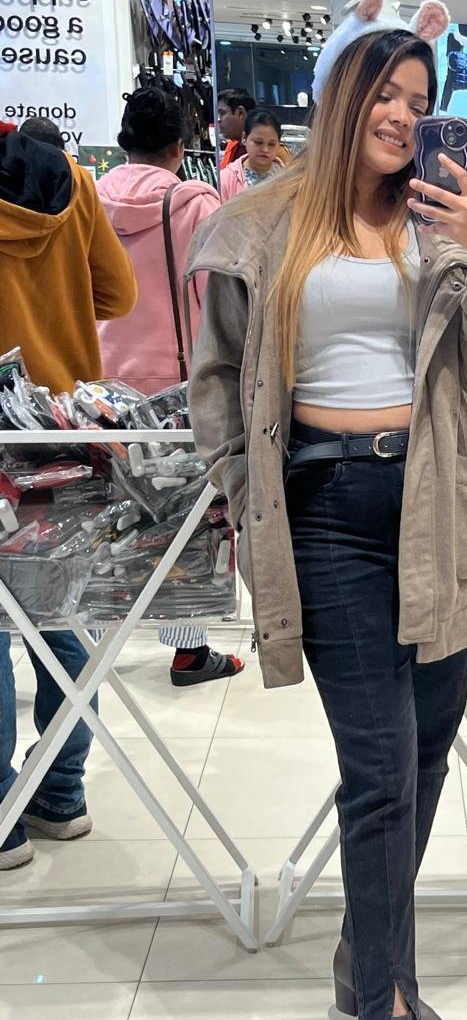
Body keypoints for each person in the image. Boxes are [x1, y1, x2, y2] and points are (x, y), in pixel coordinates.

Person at [188, 0, 467, 1020]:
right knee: (379, 768)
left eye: (419, 100)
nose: (401, 114)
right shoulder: (264, 222)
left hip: (441, 500)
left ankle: (373, 968)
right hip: (328, 505)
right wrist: (244, 491)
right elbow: (218, 376)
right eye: (385, 92)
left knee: (422, 758)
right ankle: (377, 1000)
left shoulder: (443, 220)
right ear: (343, 96)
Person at [0, 119, 137, 871]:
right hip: (63, 427)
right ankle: (59, 792)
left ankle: (2, 814)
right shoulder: (75, 183)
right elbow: (118, 292)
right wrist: (57, 304)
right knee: (62, 614)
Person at [95, 89, 244, 688]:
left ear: (124, 141)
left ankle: (95, 635)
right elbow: (217, 300)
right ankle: (188, 650)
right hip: (175, 388)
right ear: (180, 148)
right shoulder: (196, 204)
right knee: (183, 521)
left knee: (106, 513)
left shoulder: (88, 198)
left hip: (100, 385)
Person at [218, 108, 286, 201]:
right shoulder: (226, 178)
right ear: (244, 138)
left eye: (271, 144)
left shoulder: (289, 178)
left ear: (279, 144)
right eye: (258, 142)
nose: (265, 149)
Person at [216, 88, 256, 170]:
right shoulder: (231, 148)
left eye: (222, 113)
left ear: (240, 113)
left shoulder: (267, 151)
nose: (218, 119)